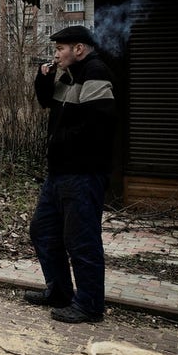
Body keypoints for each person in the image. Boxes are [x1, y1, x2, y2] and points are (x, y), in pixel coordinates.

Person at [25, 25, 116, 323]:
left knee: (81, 240)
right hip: (60, 173)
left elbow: (100, 123)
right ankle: (60, 292)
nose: (56, 54)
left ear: (78, 49)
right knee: (43, 231)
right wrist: (43, 78)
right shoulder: (68, 74)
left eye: (60, 49)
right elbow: (47, 102)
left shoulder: (96, 71)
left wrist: (61, 141)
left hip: (83, 173)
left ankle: (89, 305)